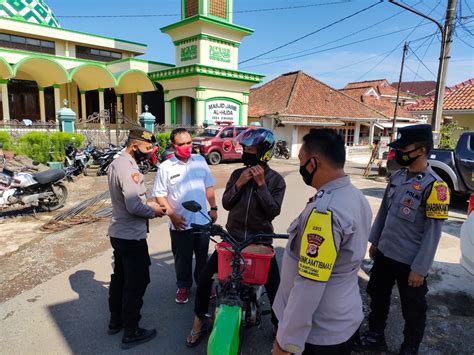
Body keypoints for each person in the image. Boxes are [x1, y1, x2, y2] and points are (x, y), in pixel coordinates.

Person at [272, 128, 372, 355]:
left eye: (301, 161)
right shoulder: (355, 196)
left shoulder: (325, 211)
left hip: (319, 332)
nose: (300, 168)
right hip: (343, 317)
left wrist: (286, 342)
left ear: (313, 163)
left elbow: (310, 283)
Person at [185, 127, 286, 347]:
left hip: (260, 241)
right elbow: (227, 203)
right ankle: (199, 320)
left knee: (276, 289)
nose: (246, 153)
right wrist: (239, 184)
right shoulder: (236, 174)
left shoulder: (276, 180)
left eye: (251, 149)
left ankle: (280, 330)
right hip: (232, 239)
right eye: (245, 148)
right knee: (204, 280)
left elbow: (273, 211)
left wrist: (261, 186)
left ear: (263, 152)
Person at [355, 124, 450, 355]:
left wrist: (420, 268)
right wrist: (375, 241)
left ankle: (410, 347)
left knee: (413, 308)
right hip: (386, 252)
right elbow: (385, 214)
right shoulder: (397, 177)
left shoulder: (436, 186)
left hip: (410, 261)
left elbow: (433, 232)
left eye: (405, 148)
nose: (400, 153)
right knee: (377, 295)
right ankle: (376, 336)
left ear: (422, 150)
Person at [107, 128, 166, 350]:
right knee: (137, 282)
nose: (149, 152)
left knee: (120, 278)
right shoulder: (129, 169)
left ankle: (116, 321)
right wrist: (154, 211)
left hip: (118, 232)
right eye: (147, 148)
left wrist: (147, 204)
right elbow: (133, 206)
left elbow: (128, 201)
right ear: (134, 146)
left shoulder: (117, 163)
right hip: (131, 235)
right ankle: (131, 331)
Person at [152, 128, 218, 304]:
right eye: (181, 144)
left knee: (203, 257)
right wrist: (172, 215)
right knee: (182, 259)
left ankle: (204, 284)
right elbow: (160, 194)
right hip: (180, 223)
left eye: (189, 142)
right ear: (174, 145)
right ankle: (183, 286)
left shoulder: (200, 161)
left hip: (202, 221)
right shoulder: (166, 167)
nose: (186, 147)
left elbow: (209, 187)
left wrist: (213, 208)